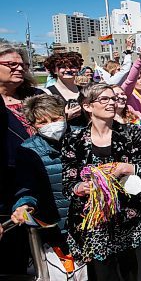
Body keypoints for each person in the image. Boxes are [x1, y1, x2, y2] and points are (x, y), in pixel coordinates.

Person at [61, 83, 141, 281]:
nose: (112, 102)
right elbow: (68, 184)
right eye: (104, 99)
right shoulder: (74, 139)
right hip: (94, 221)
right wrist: (81, 187)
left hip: (126, 217)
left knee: (129, 270)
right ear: (87, 106)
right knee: (103, 274)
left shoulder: (131, 133)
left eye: (113, 98)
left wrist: (125, 168)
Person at [0, 43, 43, 274]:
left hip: (43, 177)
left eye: (22, 64)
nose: (19, 68)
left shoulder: (35, 96)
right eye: (11, 64)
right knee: (13, 252)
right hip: (8, 184)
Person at [11, 94, 71, 250]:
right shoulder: (27, 150)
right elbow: (27, 188)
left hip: (90, 224)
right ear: (33, 126)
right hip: (57, 228)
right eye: (42, 122)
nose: (51, 125)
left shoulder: (82, 137)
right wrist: (24, 206)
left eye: (55, 119)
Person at [43, 51, 87, 127]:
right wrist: (65, 117)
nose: (68, 70)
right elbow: (43, 122)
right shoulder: (47, 93)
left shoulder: (85, 91)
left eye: (73, 66)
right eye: (62, 67)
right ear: (54, 70)